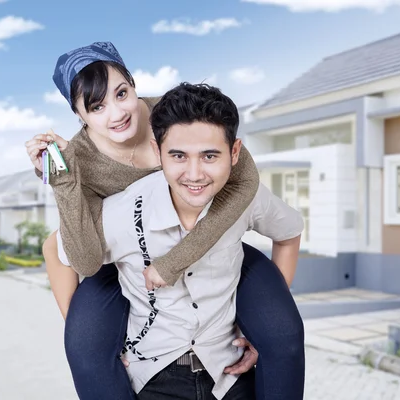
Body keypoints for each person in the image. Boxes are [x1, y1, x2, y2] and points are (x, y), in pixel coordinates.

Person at [24, 42, 305, 399]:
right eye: (96, 107)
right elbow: (68, 251)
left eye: (121, 93)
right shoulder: (78, 156)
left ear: (133, 83)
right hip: (125, 252)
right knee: (84, 344)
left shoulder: (179, 117)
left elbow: (245, 181)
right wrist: (94, 336)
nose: (116, 113)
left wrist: (176, 261)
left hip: (214, 231)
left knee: (283, 333)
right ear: (79, 115)